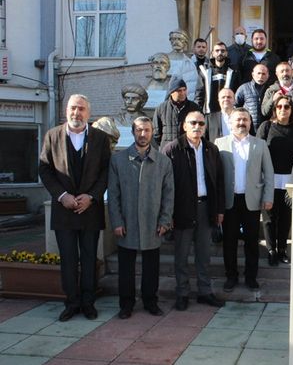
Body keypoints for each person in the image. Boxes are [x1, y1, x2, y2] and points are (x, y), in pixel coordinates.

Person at [39, 94, 111, 322]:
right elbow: (45, 170)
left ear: (88, 113)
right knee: (68, 259)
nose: (76, 113)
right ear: (65, 110)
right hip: (64, 210)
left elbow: (106, 172)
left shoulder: (100, 138)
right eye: (72, 108)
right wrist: (62, 196)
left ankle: (88, 303)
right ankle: (71, 303)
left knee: (90, 259)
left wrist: (91, 196)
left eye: (81, 109)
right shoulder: (52, 136)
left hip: (90, 210)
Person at [108, 116, 174, 319]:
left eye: (146, 130)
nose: (143, 134)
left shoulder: (163, 161)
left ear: (152, 131)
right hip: (126, 222)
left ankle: (150, 301)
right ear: (133, 132)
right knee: (126, 267)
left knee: (151, 267)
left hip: (152, 223)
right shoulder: (118, 160)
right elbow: (113, 194)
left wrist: (165, 220)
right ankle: (126, 304)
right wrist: (117, 221)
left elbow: (168, 194)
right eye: (139, 130)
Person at [163, 111, 226, 310]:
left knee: (204, 254)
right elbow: (165, 185)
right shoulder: (172, 149)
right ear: (184, 126)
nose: (197, 126)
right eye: (193, 123)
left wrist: (219, 209)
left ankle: (204, 291)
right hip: (181, 209)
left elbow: (219, 181)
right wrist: (168, 213)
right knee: (181, 255)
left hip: (206, 207)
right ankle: (182, 293)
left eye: (201, 123)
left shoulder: (211, 149)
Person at [215, 108, 274, 292]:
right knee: (229, 242)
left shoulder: (260, 144)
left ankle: (251, 278)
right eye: (238, 120)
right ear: (230, 123)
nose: (241, 123)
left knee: (251, 242)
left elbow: (269, 173)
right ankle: (231, 276)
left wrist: (268, 197)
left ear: (250, 122)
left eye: (245, 120)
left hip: (252, 201)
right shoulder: (219, 143)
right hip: (229, 201)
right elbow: (215, 176)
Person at [256, 96, 293, 265]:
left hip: (289, 181)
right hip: (269, 180)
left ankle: (282, 249)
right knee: (269, 218)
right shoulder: (266, 127)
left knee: (285, 217)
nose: (283, 109)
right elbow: (258, 153)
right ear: (274, 109)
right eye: (279, 106)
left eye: (287, 107)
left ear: (292, 110)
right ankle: (271, 250)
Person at [153, 76, 201, 149]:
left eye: (184, 90)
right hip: (167, 151)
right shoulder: (161, 108)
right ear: (171, 92)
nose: (182, 93)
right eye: (179, 90)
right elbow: (156, 133)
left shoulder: (194, 108)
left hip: (188, 150)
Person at [196, 41, 240, 115]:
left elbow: (237, 93)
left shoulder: (234, 71)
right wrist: (199, 112)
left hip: (228, 113)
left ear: (226, 53)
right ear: (212, 53)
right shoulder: (205, 71)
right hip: (209, 113)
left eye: (222, 51)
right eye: (217, 51)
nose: (220, 53)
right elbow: (199, 95)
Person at [235, 64, 270, 131]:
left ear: (268, 76)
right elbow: (235, 106)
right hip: (247, 127)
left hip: (265, 128)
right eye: (258, 73)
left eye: (263, 74)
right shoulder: (244, 88)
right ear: (253, 74)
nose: (261, 76)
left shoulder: (270, 90)